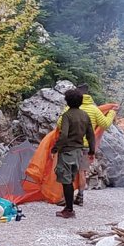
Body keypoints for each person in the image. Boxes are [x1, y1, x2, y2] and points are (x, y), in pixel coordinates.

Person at [55, 88, 110, 208]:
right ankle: (80, 196)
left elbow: (60, 125)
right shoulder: (93, 110)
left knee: (67, 174)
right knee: (82, 172)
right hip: (84, 148)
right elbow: (103, 125)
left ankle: (66, 200)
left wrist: (56, 148)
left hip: (70, 147)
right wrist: (112, 112)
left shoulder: (68, 111)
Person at [52, 90, 96, 219]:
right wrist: (92, 151)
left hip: (67, 151)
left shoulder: (67, 116)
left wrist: (55, 148)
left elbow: (64, 134)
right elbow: (90, 135)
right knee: (71, 178)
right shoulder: (85, 115)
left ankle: (69, 209)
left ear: (67, 101)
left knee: (66, 181)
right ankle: (69, 208)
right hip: (79, 151)